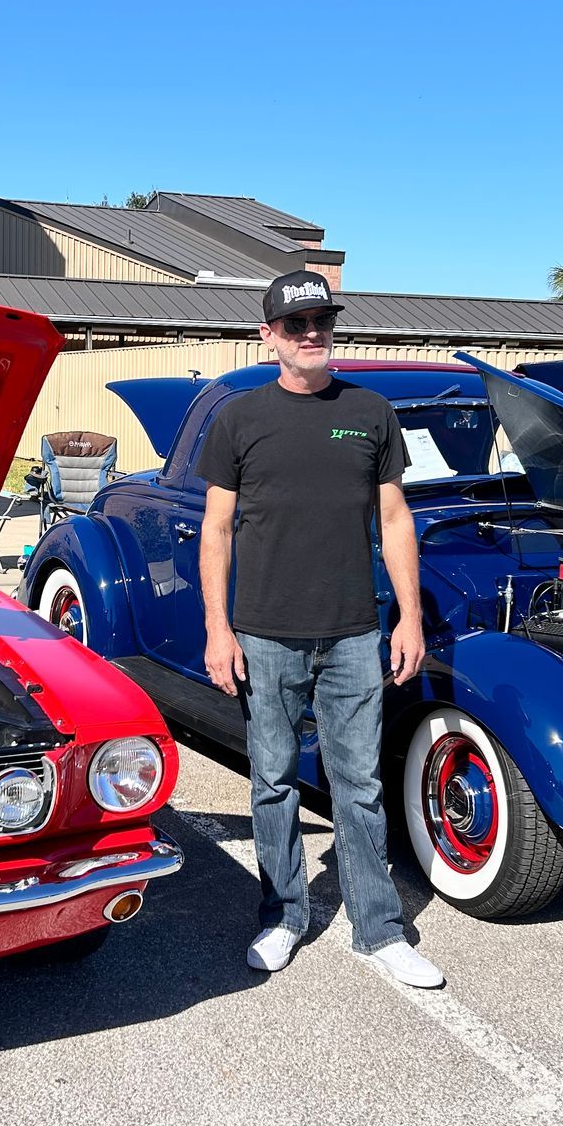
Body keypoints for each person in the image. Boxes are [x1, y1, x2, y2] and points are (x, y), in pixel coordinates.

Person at [198, 269, 443, 987]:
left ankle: (380, 929)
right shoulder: (240, 419)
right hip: (265, 633)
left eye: (321, 323)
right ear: (268, 334)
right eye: (295, 324)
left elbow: (394, 519)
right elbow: (216, 531)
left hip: (353, 634)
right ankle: (283, 916)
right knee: (271, 779)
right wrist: (219, 628)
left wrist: (410, 616)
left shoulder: (370, 412)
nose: (311, 334)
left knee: (358, 783)